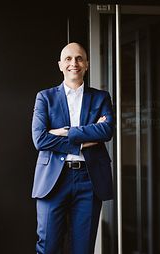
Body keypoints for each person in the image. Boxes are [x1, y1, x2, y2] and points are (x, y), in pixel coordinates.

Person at [31, 42, 114, 254]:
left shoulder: (101, 97)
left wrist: (67, 132)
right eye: (68, 59)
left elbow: (105, 131)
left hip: (89, 179)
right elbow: (40, 139)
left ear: (86, 64)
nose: (73, 63)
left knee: (83, 249)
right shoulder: (45, 98)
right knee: (47, 247)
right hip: (53, 180)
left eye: (79, 58)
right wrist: (86, 137)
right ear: (60, 65)